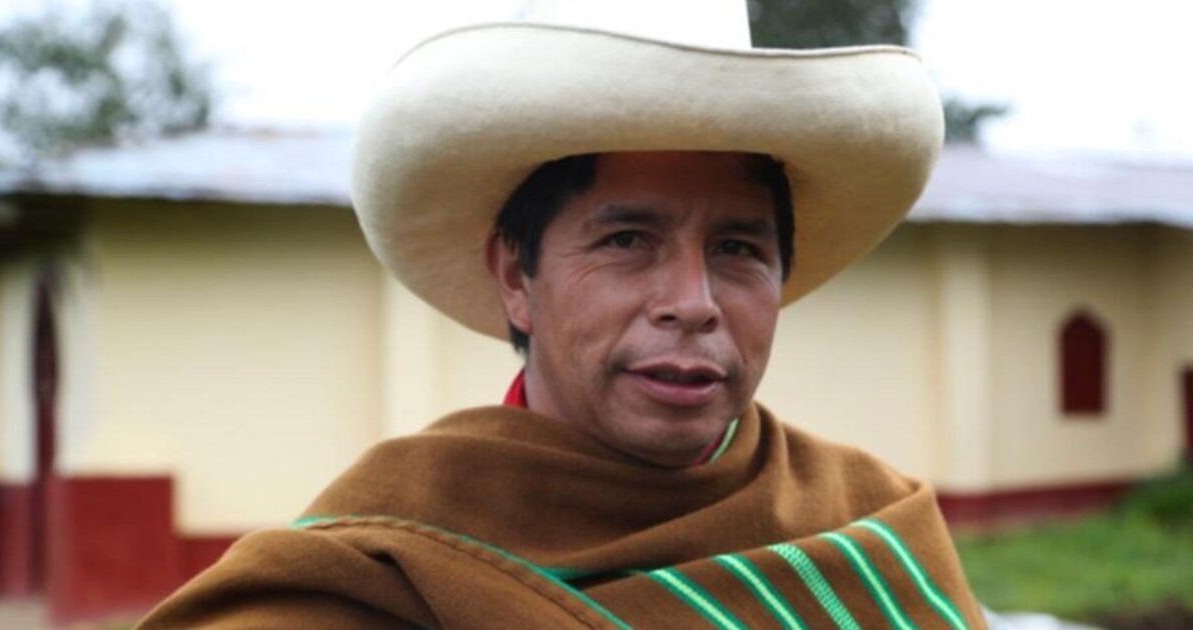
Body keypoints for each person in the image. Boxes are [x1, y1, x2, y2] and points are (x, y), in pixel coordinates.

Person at [140, 7, 987, 629]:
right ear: (517, 275)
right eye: (627, 240)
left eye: (738, 248)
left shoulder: (873, 534)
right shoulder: (382, 571)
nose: (693, 302)